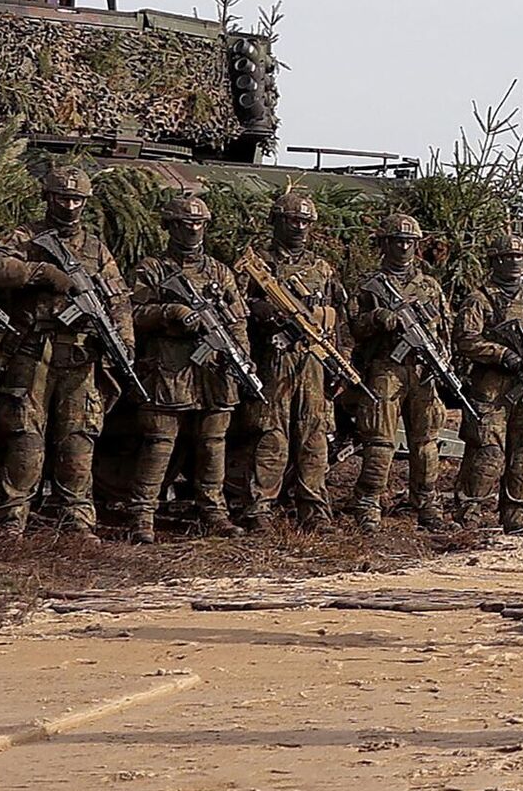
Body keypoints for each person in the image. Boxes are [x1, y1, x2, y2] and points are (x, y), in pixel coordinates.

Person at [0, 166, 134, 537]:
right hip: (33, 351)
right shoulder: (27, 237)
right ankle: (13, 517)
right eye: (62, 198)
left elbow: (118, 300)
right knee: (25, 435)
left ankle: (77, 519)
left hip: (80, 355)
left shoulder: (96, 249)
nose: (69, 206)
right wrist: (42, 272)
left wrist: (124, 342)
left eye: (76, 199)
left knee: (78, 438)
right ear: (48, 198)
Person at [123, 194, 251, 542]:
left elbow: (237, 319)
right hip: (169, 368)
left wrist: (242, 356)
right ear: (170, 226)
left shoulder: (219, 271)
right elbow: (131, 313)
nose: (193, 229)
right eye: (185, 223)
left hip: (214, 370)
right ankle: (142, 515)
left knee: (213, 443)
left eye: (198, 223)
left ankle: (213, 512)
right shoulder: (152, 269)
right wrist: (169, 312)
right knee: (159, 442)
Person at [230, 190, 347, 530]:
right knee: (271, 434)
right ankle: (259, 507)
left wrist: (340, 362)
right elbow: (233, 306)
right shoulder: (257, 264)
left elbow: (337, 319)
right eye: (292, 220)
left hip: (312, 360)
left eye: (305, 222)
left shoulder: (322, 268)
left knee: (314, 435)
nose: (299, 227)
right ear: (277, 222)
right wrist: (259, 309)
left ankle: (314, 509)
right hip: (273, 359)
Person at [347, 213, 453, 532]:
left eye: (409, 241)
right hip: (386, 369)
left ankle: (427, 505)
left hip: (422, 371)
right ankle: (368, 505)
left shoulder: (429, 287)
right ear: (386, 244)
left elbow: (444, 331)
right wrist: (376, 318)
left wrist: (443, 359)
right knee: (380, 441)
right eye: (397, 241)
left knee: (426, 443)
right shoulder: (369, 285)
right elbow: (352, 328)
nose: (404, 247)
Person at [453, 234, 523, 533]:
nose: (515, 263)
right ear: (495, 261)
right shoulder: (480, 301)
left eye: (520, 258)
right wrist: (502, 355)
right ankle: (469, 516)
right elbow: (465, 341)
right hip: (490, 393)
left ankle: (517, 518)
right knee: (487, 454)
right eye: (508, 257)